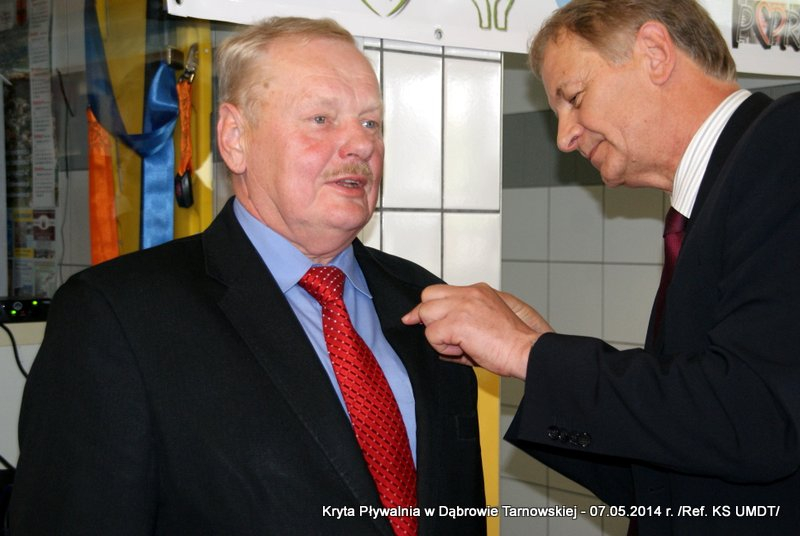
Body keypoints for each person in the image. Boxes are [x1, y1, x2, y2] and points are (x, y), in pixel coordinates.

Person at [9, 17, 485, 535]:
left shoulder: (423, 299)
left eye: (370, 123)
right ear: (235, 138)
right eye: (321, 118)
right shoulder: (116, 317)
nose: (360, 145)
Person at [403, 0, 800, 534]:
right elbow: (670, 477)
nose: (564, 137)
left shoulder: (785, 143)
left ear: (654, 53)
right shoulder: (711, 202)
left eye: (574, 98)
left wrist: (528, 353)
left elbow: (760, 418)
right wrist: (537, 350)